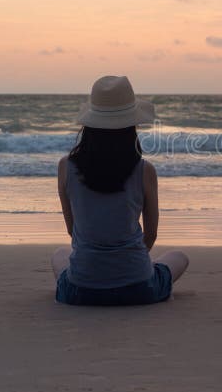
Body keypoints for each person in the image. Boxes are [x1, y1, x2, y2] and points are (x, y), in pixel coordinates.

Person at [51, 75, 188, 305]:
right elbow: (151, 235)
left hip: (81, 290)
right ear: (131, 125)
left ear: (89, 124)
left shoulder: (66, 166)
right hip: (139, 288)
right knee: (180, 257)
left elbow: (73, 230)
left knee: (59, 255)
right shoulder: (145, 170)